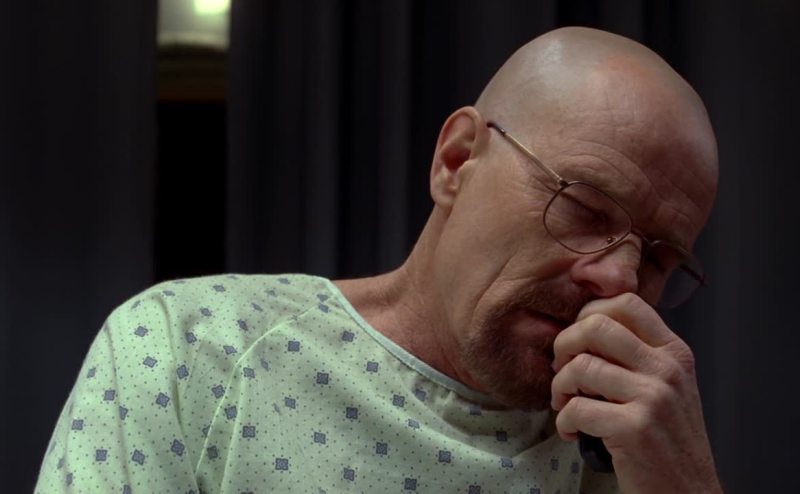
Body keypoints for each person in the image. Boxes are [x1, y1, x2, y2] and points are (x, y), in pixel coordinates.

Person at [36, 26, 722, 493]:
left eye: (658, 260)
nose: (618, 279)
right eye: (584, 208)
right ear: (456, 161)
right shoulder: (192, 351)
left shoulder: (635, 453)